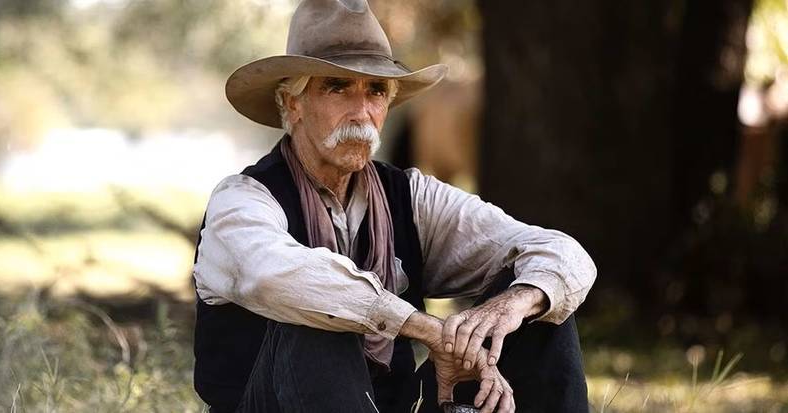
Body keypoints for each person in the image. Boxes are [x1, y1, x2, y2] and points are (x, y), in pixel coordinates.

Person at [192, 0, 597, 412]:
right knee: (317, 315)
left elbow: (562, 253)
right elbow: (276, 276)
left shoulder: (410, 195)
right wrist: (427, 330)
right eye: (337, 87)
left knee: (541, 310)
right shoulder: (243, 199)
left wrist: (509, 307)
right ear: (293, 103)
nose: (362, 110)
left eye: (376, 90)